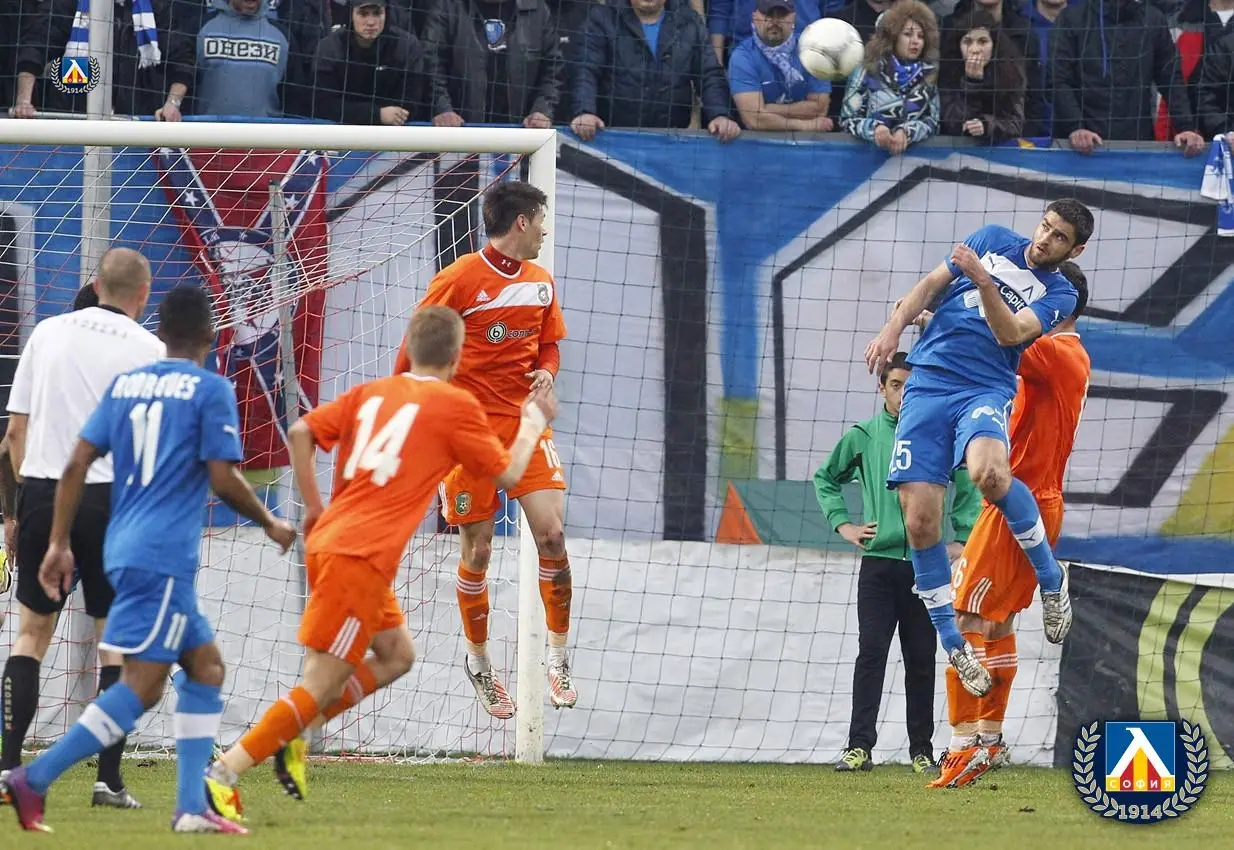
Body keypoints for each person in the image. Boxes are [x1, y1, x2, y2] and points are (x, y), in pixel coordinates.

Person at [203, 307, 557, 821]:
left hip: (337, 542)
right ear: (457, 358)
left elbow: (300, 432)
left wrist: (314, 506)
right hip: (359, 557)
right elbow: (508, 475)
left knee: (396, 655)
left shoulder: (370, 393)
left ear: (408, 349)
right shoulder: (454, 405)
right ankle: (224, 773)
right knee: (320, 683)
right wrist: (532, 422)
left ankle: (296, 734)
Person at [1, 285, 296, 834]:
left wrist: (60, 541)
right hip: (161, 556)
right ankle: (33, 778)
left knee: (205, 668)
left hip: (126, 546)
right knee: (142, 685)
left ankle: (189, 807)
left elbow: (76, 462)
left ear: (160, 334)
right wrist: (271, 521)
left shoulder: (127, 385)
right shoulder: (210, 389)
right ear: (210, 334)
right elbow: (223, 478)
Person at [863, 198, 1094, 697]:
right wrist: (894, 326)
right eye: (1045, 226)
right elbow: (930, 285)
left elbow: (1011, 334)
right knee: (919, 522)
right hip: (928, 384)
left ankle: (1051, 579)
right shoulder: (992, 238)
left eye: (1059, 237)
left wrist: (984, 282)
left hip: (983, 389)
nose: (1045, 239)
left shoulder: (1058, 294)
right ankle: (954, 646)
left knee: (989, 474)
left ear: (1075, 250)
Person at [391, 181, 576, 718]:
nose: (545, 230)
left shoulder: (540, 283)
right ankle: (479, 663)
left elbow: (549, 345)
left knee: (552, 535)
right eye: (540, 220)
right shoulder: (458, 279)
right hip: (466, 435)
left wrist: (547, 371)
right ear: (521, 222)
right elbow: (413, 348)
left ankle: (558, 658)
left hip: (524, 427)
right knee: (478, 553)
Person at [1, 248, 165, 809]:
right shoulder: (151, 349)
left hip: (45, 491)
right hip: (115, 500)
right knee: (114, 643)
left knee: (31, 634)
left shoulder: (47, 333)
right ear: (143, 294)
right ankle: (108, 782)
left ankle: (8, 769)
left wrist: (21, 507)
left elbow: (15, 433)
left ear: (95, 284)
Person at [930, 262, 1090, 789]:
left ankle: (961, 744)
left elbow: (1001, 336)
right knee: (996, 624)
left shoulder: (1057, 352)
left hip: (1018, 503)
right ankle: (989, 739)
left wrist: (941, 312)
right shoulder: (1062, 357)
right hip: (1033, 501)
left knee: (965, 614)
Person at [818, 351, 980, 774]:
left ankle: (921, 752)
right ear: (882, 388)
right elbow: (825, 478)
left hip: (926, 566)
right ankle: (859, 748)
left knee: (922, 658)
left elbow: (968, 485)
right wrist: (843, 524)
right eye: (896, 385)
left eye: (912, 385)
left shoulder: (940, 434)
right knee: (871, 653)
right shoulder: (864, 436)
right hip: (878, 566)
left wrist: (962, 538)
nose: (904, 393)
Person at [840, 1, 941, 156]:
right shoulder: (866, 70)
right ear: (893, 37)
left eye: (921, 36)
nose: (915, 41)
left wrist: (907, 132)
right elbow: (847, 120)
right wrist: (875, 128)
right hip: (866, 159)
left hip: (913, 160)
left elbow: (934, 123)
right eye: (908, 34)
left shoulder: (928, 74)